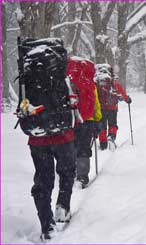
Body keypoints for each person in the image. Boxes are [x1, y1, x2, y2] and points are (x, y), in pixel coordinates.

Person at [16, 38, 77, 241]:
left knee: (43, 179)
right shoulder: (61, 75)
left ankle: (46, 225)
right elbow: (72, 101)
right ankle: (63, 206)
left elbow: (23, 104)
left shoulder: (29, 75)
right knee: (67, 171)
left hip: (37, 137)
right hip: (62, 134)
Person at [66, 57, 102, 188]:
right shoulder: (90, 83)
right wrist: (98, 119)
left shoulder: (67, 82)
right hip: (88, 121)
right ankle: (82, 176)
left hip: (71, 120)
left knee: (71, 147)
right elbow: (96, 104)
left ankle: (70, 172)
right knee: (84, 148)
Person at [95, 64, 131, 150]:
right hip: (112, 108)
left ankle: (103, 144)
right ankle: (111, 137)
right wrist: (127, 99)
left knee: (102, 127)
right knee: (112, 124)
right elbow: (122, 93)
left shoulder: (97, 83)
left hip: (101, 108)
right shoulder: (114, 83)